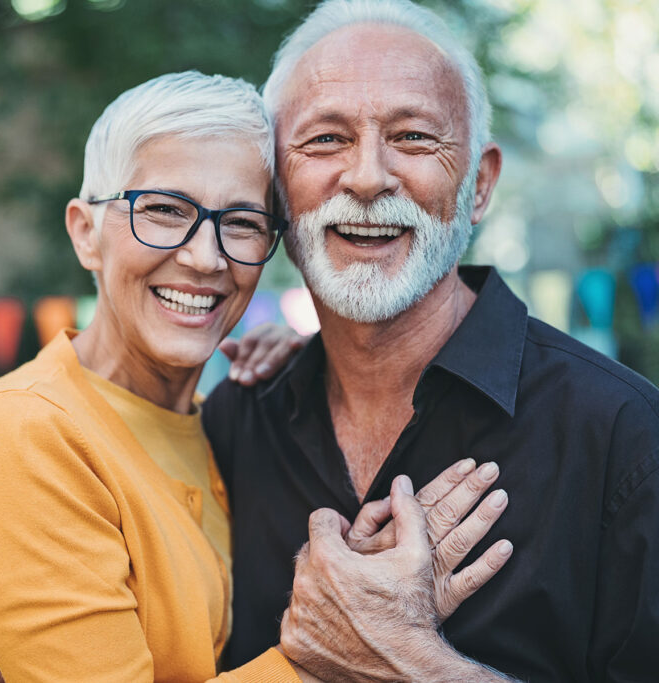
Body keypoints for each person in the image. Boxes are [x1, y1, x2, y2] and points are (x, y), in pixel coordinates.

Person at [0, 71, 514, 682]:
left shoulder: (219, 415)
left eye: (241, 223)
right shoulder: (26, 433)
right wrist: (333, 653)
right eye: (162, 210)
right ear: (85, 233)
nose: (205, 258)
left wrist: (364, 578)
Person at [204, 1, 659, 681]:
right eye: (325, 139)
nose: (366, 178)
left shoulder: (623, 434)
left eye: (413, 137)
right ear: (275, 188)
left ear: (478, 184)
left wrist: (413, 660)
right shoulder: (235, 420)